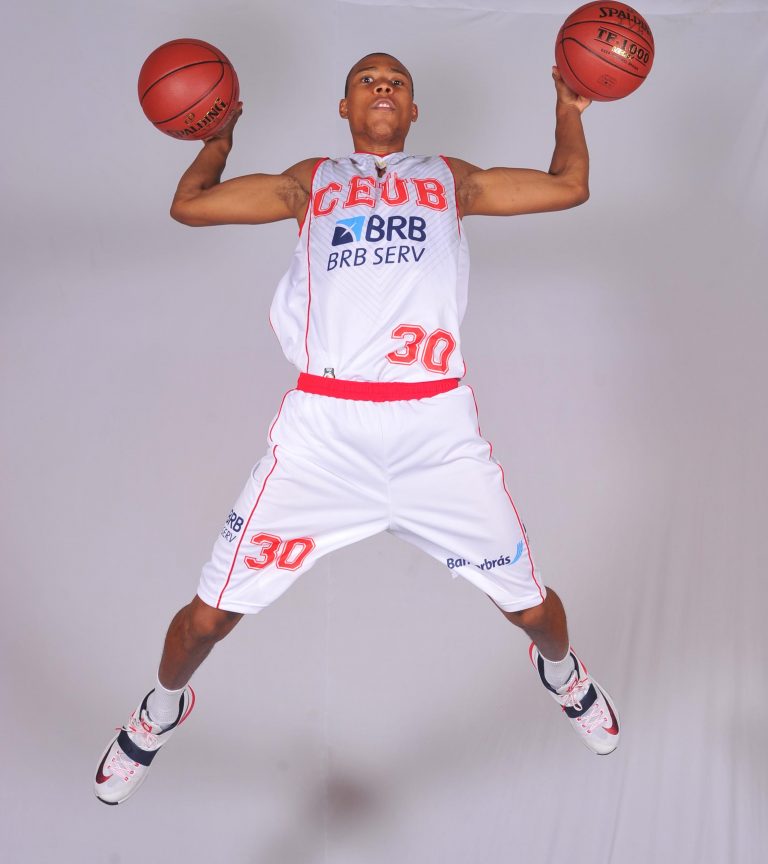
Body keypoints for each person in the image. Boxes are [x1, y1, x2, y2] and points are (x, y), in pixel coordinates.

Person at [94, 52, 620, 806]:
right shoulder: (311, 182)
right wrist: (218, 137)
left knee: (533, 608)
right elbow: (191, 206)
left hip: (434, 430)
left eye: (397, 81)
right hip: (324, 435)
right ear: (344, 108)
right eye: (367, 80)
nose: (382, 87)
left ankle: (563, 674)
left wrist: (569, 106)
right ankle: (161, 707)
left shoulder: (450, 179)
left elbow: (569, 186)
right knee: (206, 621)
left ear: (414, 111)